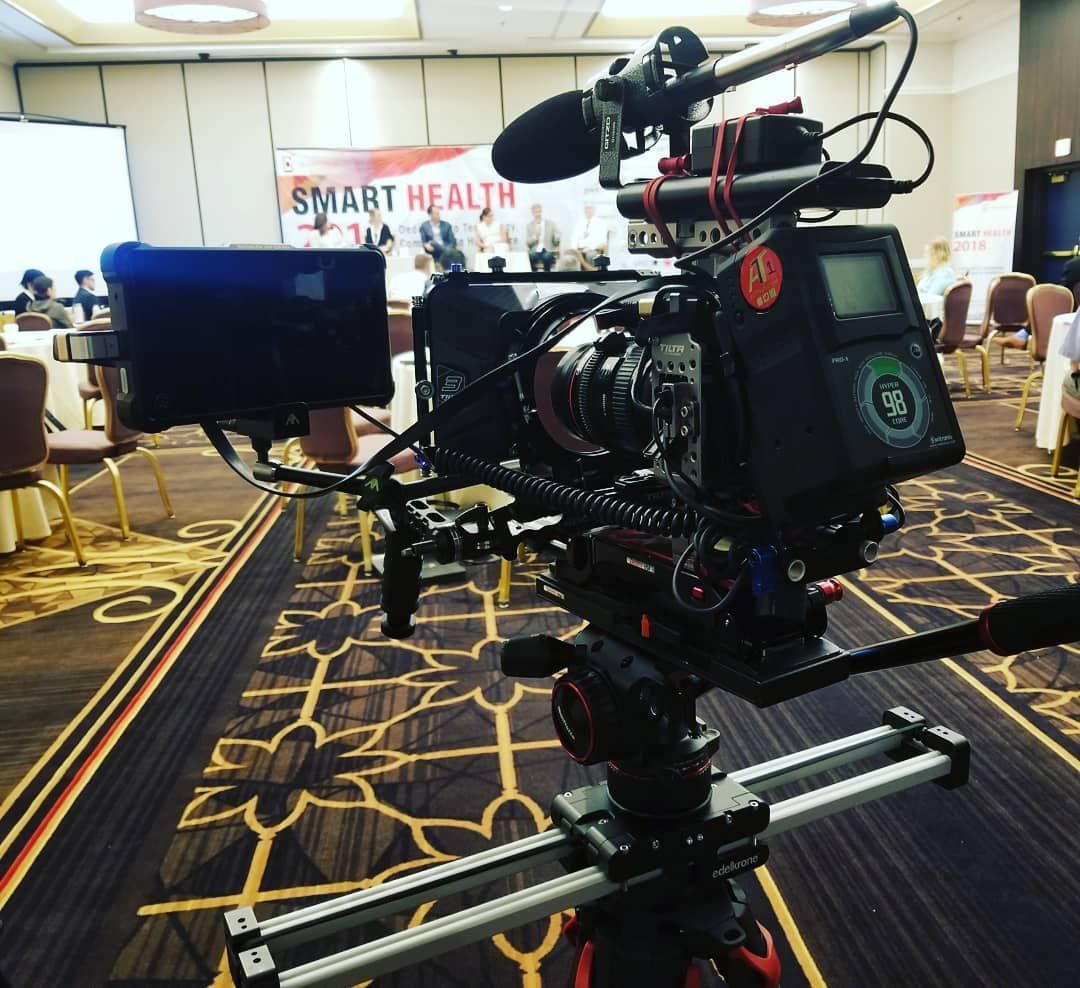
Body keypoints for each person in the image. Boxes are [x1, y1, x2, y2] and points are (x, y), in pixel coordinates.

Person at [527, 203, 561, 272]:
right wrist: (535, 236)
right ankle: (534, 278)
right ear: (532, 213)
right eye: (535, 212)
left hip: (548, 249)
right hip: (535, 251)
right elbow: (528, 243)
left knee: (547, 257)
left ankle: (546, 277)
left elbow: (556, 242)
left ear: (541, 211)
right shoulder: (529, 226)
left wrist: (557, 238)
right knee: (531, 257)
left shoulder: (550, 224)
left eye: (539, 211)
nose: (538, 214)